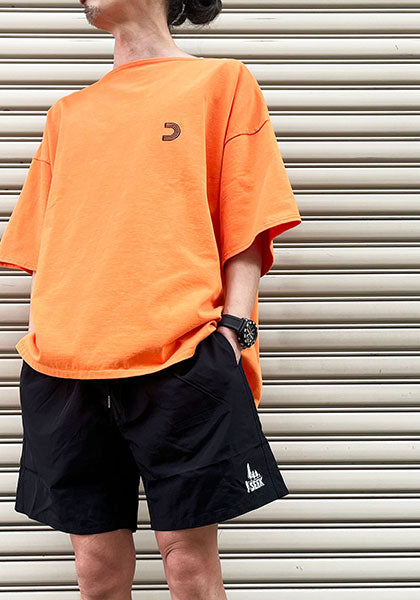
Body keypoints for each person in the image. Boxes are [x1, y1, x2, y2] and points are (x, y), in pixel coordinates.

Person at [0, 0, 302, 598]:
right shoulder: (68, 114)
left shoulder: (221, 83)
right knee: (96, 571)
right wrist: (46, 340)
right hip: (65, 369)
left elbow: (249, 218)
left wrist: (234, 331)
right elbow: (45, 245)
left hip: (182, 355)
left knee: (188, 566)